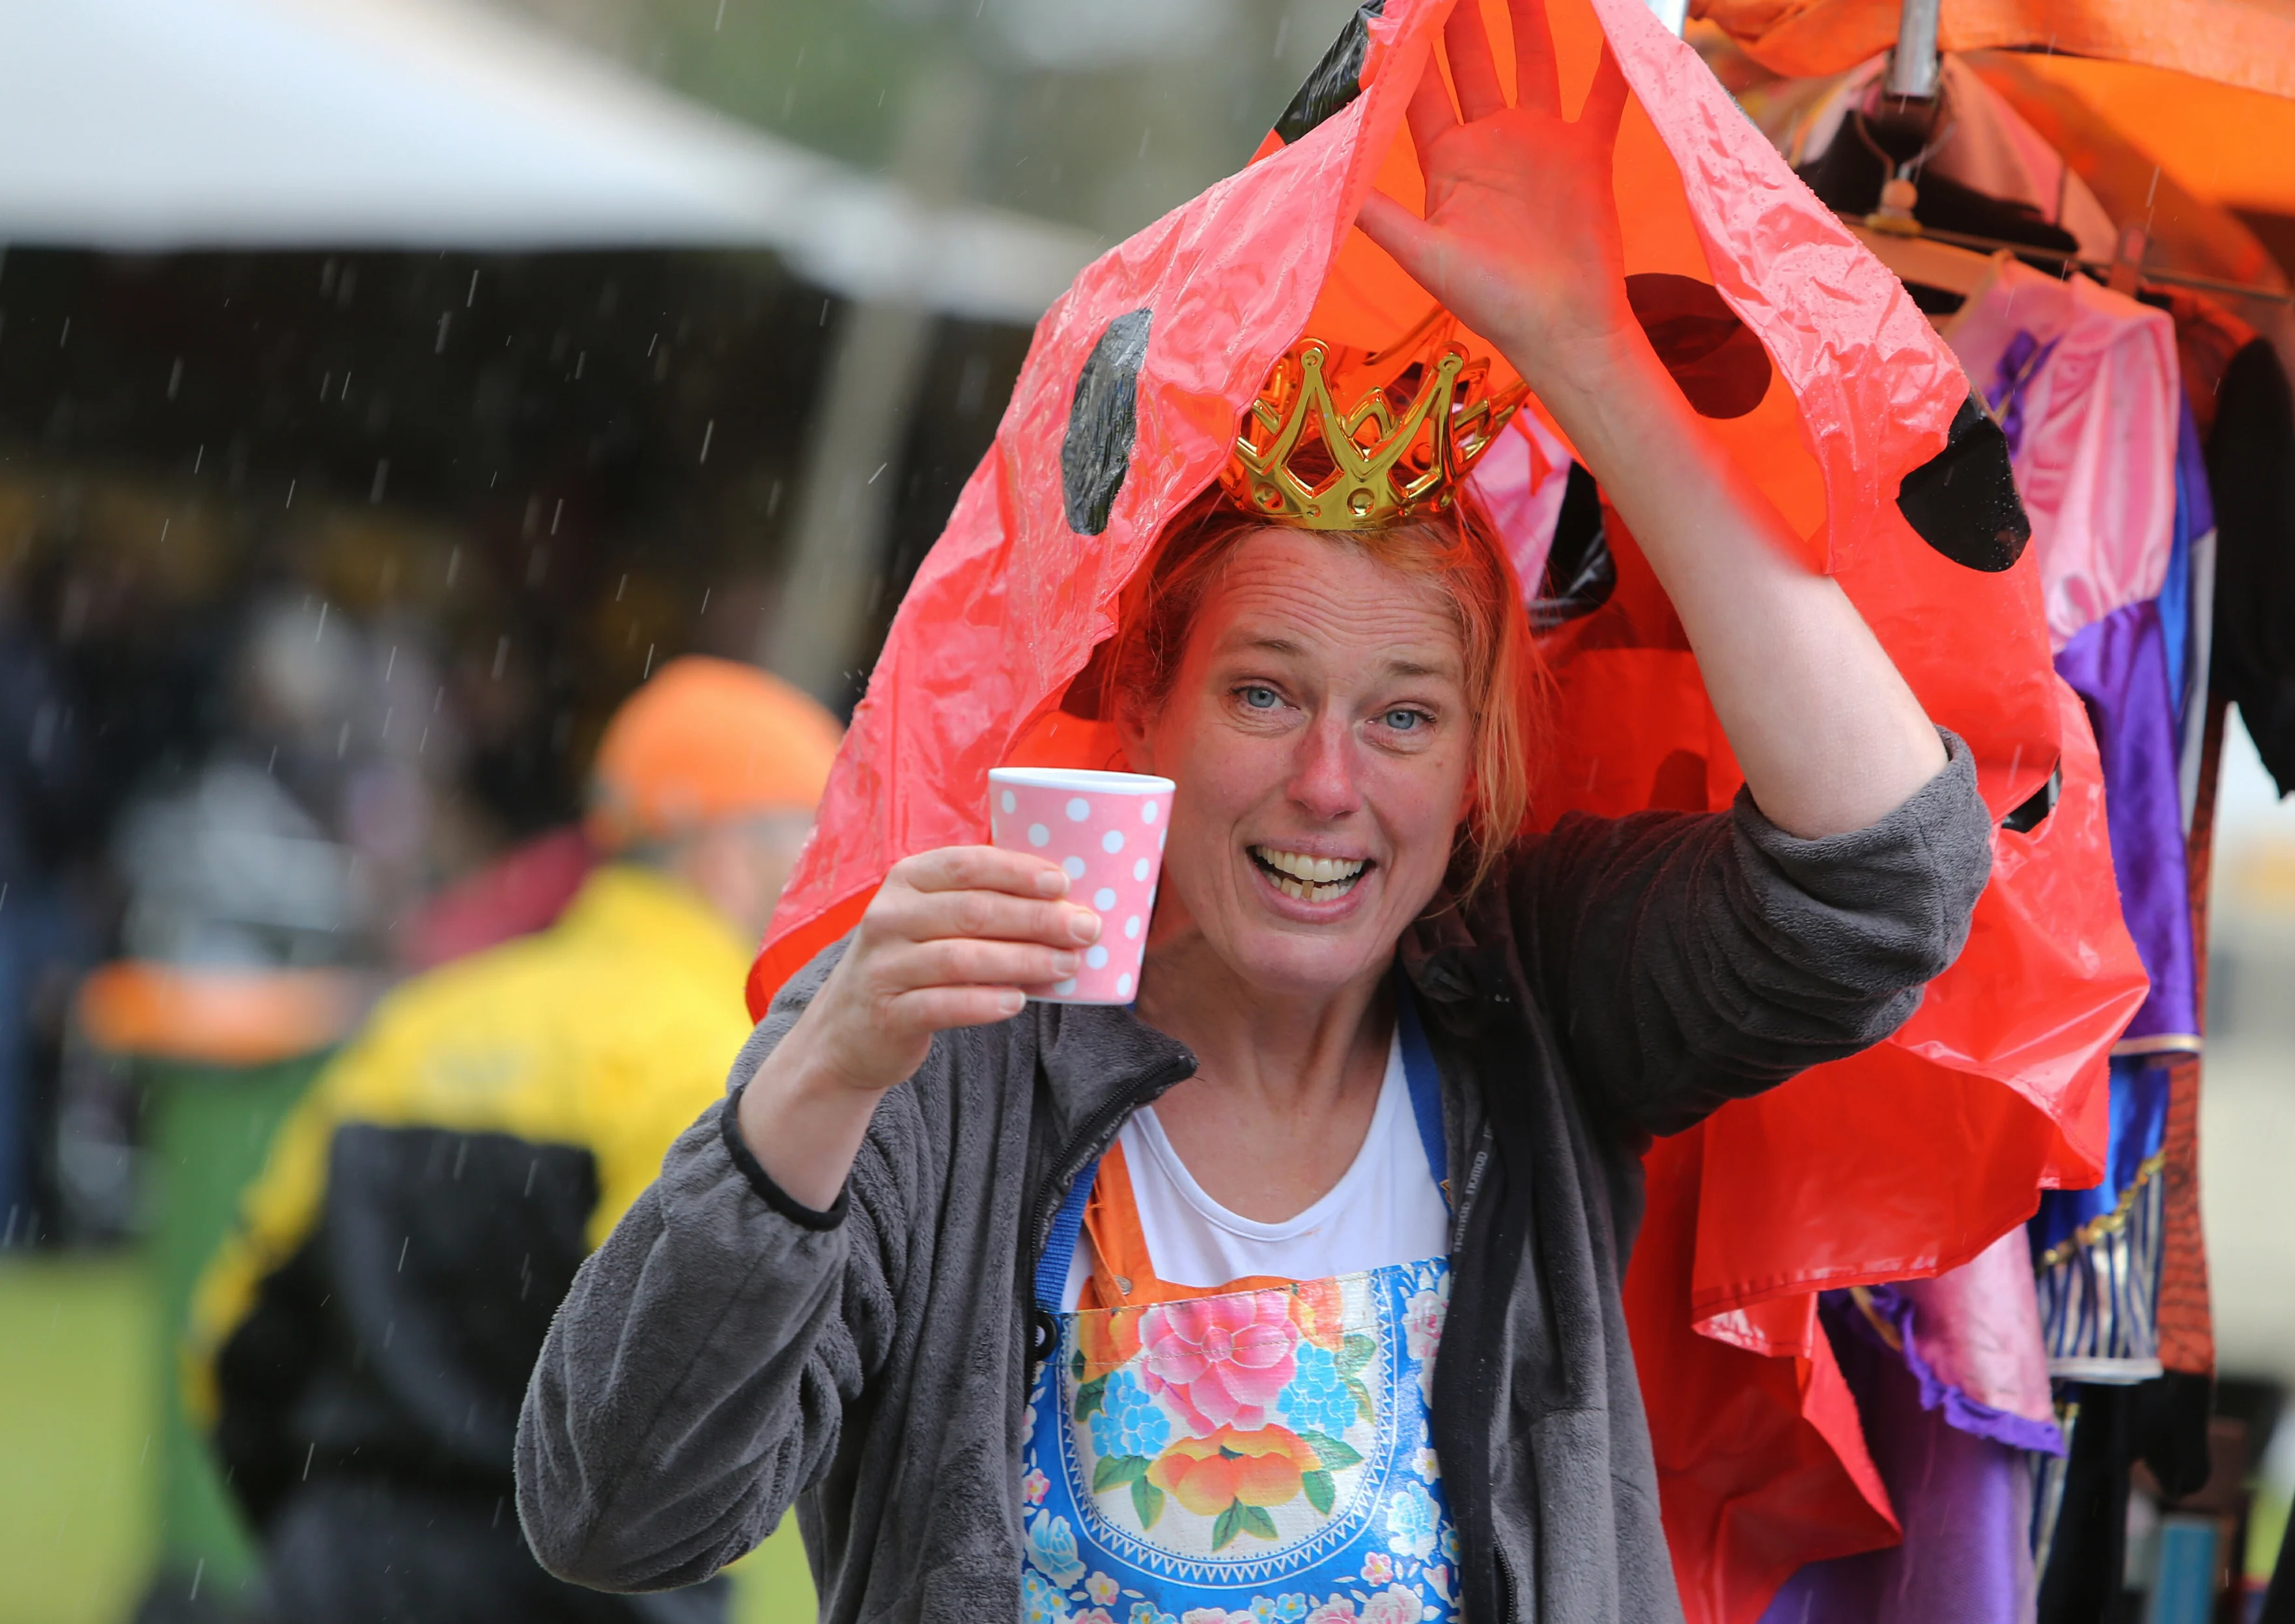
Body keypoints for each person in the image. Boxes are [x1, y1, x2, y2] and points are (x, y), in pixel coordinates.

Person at [518, 11, 1996, 1621]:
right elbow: (617, 1510)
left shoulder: (1541, 998)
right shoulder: (944, 1039)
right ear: (1142, 704)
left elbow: (1886, 876)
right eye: (1265, 695)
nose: (1329, 785)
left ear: (1478, 765)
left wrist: (1589, 356)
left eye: (1405, 716)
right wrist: (825, 1072)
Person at [188, 656, 841, 1624]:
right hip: (577, 1597)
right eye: (817, 847)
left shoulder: (421, 1024)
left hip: (336, 1572)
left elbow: (236, 1336)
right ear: (725, 858)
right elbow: (678, 1392)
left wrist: (316, 1528)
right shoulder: (726, 1061)